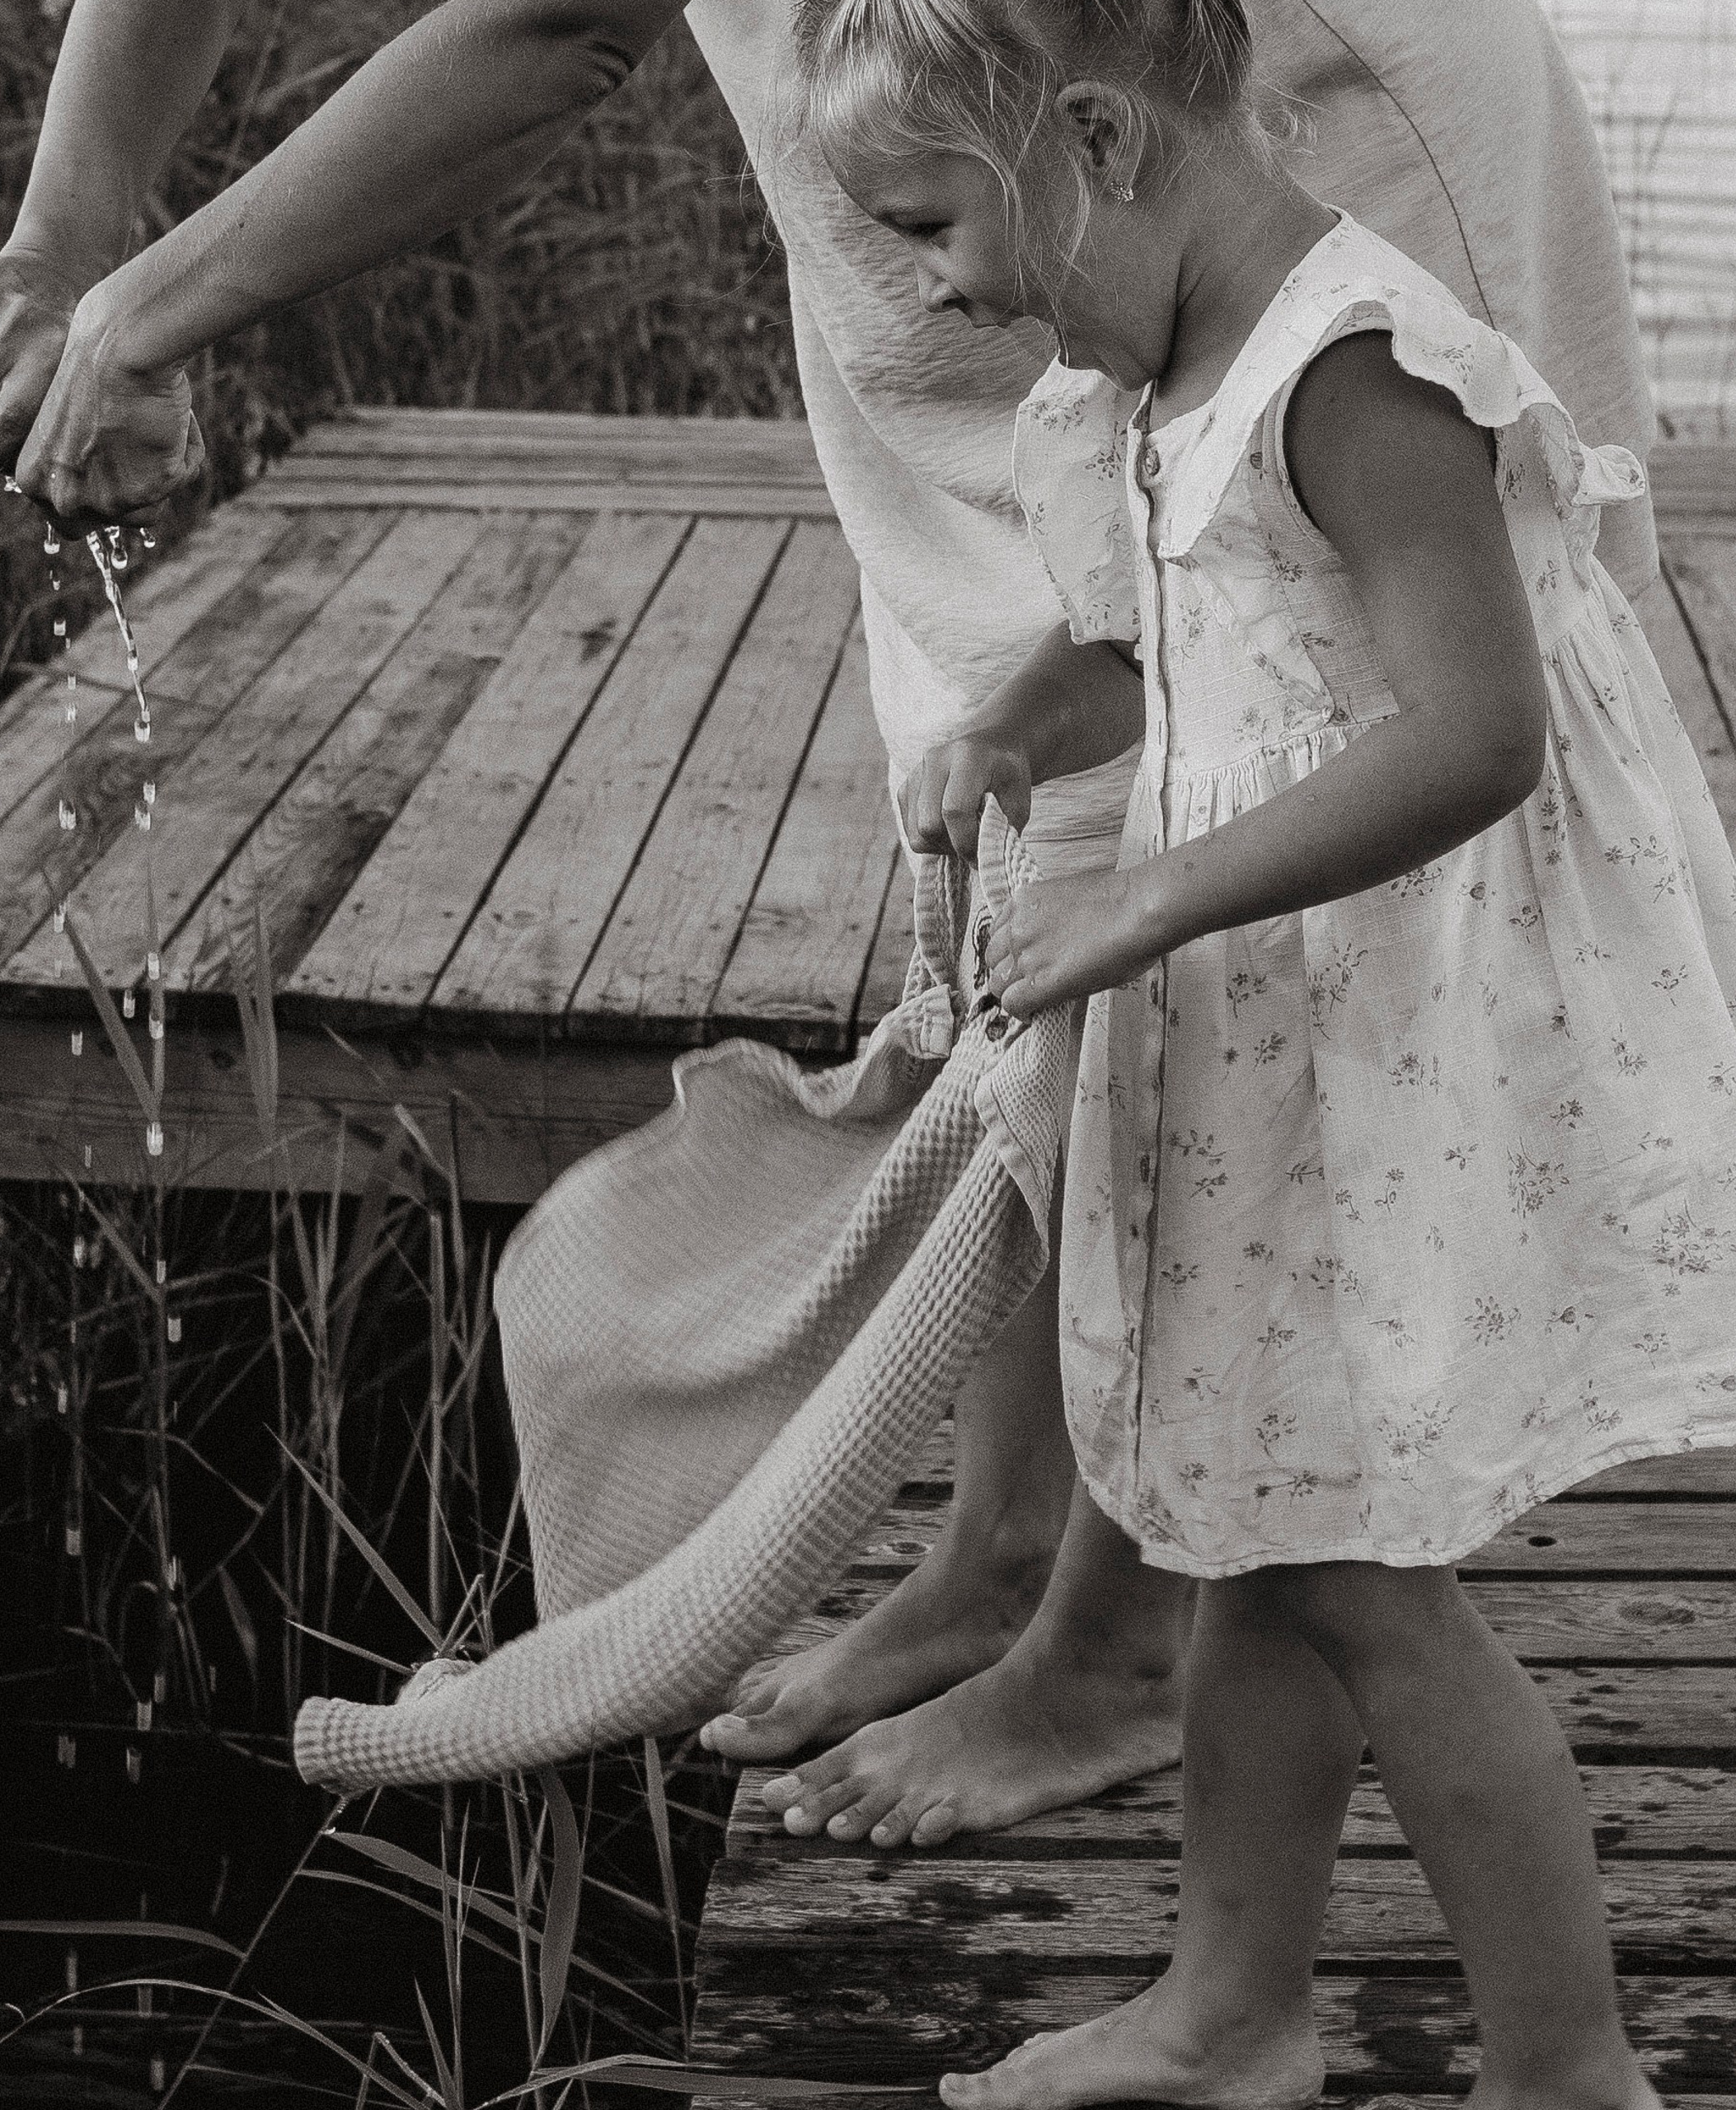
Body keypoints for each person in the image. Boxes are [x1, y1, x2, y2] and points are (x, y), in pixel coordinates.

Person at [0, 0, 1662, 1851]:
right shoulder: (969, 224)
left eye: (920, 244)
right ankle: (1009, 1548)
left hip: (1223, 87)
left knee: (1247, 932)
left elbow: (553, 25)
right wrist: (63, 234)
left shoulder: (1313, 312)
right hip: (954, 110)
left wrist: (138, 310)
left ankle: (1125, 1634)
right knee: (1027, 755)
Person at [782, 0, 1734, 2103]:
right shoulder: (1163, 368)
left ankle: (1570, 2071)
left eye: (936, 221)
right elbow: (1171, 630)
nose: (940, 285)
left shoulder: (1356, 367)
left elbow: (1473, 731)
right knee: (1249, 1518)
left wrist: (1140, 899)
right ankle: (1232, 2008)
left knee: (1356, 1569)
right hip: (1280, 1043)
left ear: (1096, 138)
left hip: (1390, 1045)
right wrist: (1008, 733)